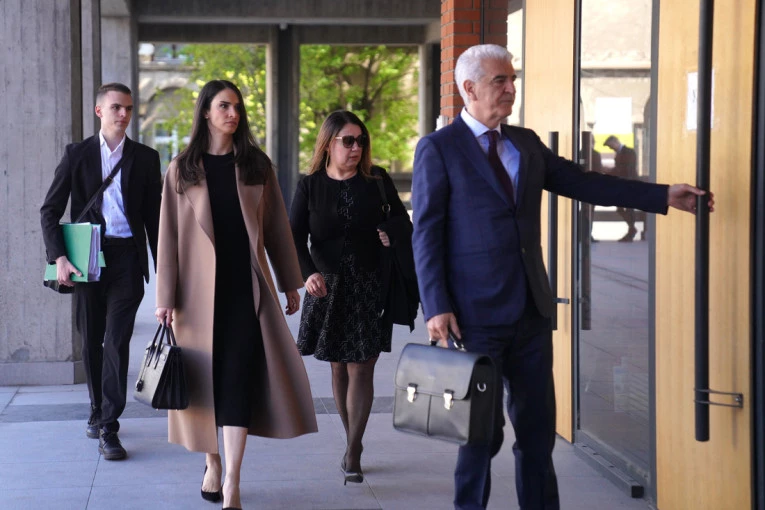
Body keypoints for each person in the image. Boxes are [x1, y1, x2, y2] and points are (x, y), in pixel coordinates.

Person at [411, 44, 714, 510]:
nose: (511, 89)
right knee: (479, 437)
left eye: (513, 80)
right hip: (474, 319)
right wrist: (436, 307)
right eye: (499, 81)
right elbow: (426, 232)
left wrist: (662, 195)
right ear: (469, 88)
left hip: (531, 313)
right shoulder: (439, 148)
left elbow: (584, 182)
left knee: (537, 438)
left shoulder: (525, 143)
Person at [154, 80, 317, 510]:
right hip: (195, 298)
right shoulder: (181, 169)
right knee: (203, 385)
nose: (233, 114)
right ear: (206, 112)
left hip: (246, 292)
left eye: (237, 107)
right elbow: (167, 239)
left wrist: (289, 281)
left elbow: (278, 228)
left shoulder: (256, 166)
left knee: (237, 383)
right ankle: (212, 463)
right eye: (224, 106)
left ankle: (233, 483)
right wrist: (164, 298)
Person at [40, 82, 161, 461]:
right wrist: (59, 258)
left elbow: (156, 220)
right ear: (99, 111)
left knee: (117, 340)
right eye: (116, 108)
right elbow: (49, 210)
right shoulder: (76, 155)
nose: (123, 114)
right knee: (91, 339)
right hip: (86, 258)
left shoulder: (146, 158)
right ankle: (96, 407)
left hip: (127, 260)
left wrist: (167, 277)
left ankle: (109, 424)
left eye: (128, 108)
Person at [289, 110, 410, 484]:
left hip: (370, 285)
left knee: (362, 365)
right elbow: (294, 236)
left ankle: (353, 449)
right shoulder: (310, 185)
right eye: (348, 141)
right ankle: (350, 438)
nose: (356, 147)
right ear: (329, 144)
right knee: (338, 366)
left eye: (361, 140)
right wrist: (308, 273)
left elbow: (403, 222)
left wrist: (390, 231)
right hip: (326, 287)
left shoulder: (377, 181)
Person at [603, 134, 639, 241]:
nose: (611, 149)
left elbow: (627, 169)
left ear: (615, 142)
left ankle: (631, 230)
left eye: (611, 146)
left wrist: (611, 171)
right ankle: (632, 229)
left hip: (629, 184)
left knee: (628, 208)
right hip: (623, 184)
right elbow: (620, 169)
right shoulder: (620, 153)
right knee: (621, 208)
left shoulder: (629, 152)